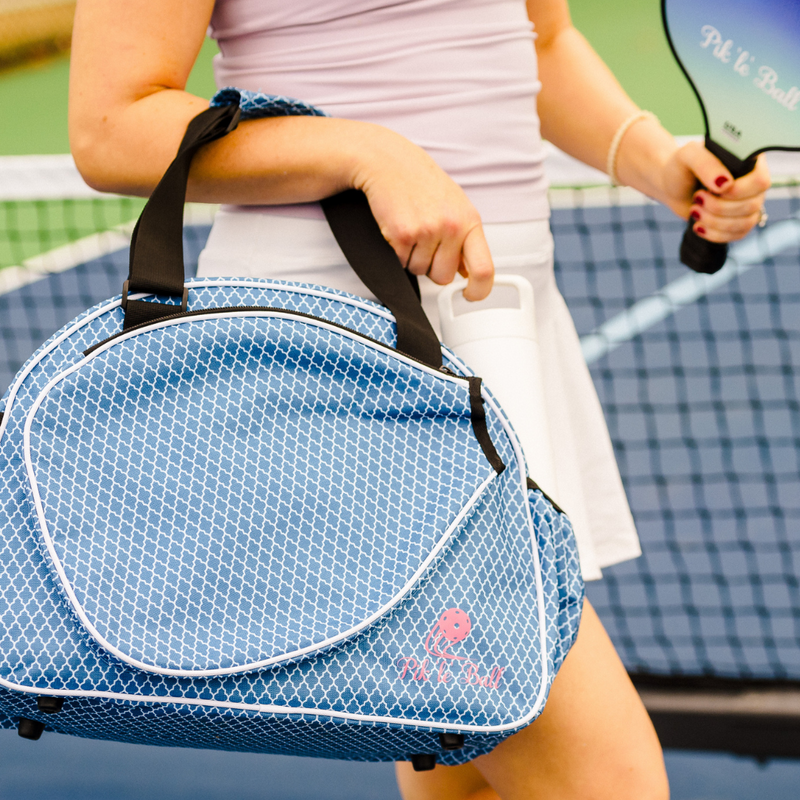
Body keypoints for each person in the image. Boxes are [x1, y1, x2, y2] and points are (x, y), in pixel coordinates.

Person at [68, 1, 770, 797]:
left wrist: (653, 157)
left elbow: (542, 40)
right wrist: (361, 151)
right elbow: (111, 125)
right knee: (609, 780)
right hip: (341, 361)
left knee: (464, 780)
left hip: (498, 329)